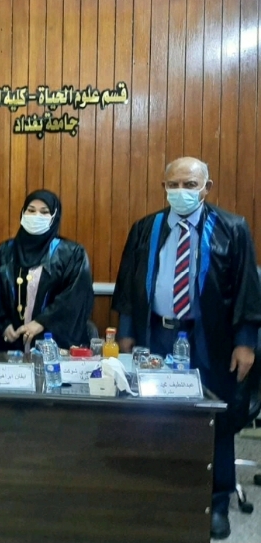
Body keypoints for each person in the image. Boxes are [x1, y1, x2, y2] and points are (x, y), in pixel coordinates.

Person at [112, 157, 261, 540]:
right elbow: (129, 285)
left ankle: (217, 500)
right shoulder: (146, 228)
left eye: (190, 185)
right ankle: (162, 493)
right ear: (163, 187)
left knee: (215, 420)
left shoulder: (232, 227)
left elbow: (247, 288)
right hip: (156, 337)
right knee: (156, 418)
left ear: (206, 188)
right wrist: (126, 334)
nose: (181, 192)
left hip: (210, 340)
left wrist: (246, 342)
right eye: (173, 184)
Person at [0, 190, 94, 351]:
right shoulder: (4, 252)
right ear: (22, 213)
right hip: (10, 345)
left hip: (53, 346)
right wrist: (3, 324)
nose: (36, 216)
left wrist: (42, 322)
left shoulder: (71, 254)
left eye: (44, 212)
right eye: (31, 210)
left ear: (54, 217)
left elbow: (75, 297)